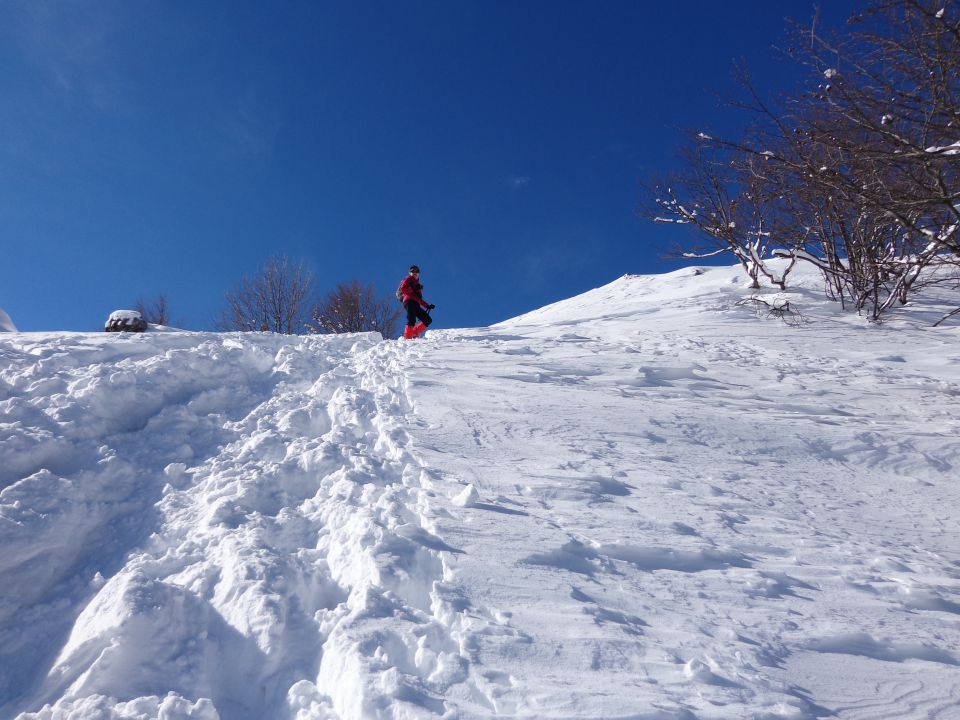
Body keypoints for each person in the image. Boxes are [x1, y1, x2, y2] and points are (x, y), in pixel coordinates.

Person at [398, 265, 435, 339]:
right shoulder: (408, 279)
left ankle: (414, 333)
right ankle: (407, 338)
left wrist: (427, 306)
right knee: (411, 319)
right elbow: (403, 289)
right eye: (412, 271)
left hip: (416, 304)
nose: (415, 272)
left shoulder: (418, 285)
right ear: (410, 273)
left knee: (428, 320)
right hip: (408, 301)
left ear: (419, 274)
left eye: (417, 271)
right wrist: (413, 288)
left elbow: (419, 299)